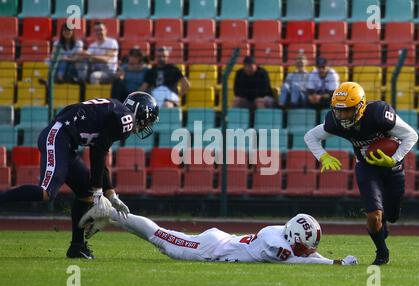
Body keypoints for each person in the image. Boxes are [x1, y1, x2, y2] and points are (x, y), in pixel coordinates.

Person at [0, 92, 160, 259]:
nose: (146, 125)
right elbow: (98, 151)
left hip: (65, 141)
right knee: (47, 192)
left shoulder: (120, 113)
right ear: (140, 110)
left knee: (86, 193)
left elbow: (100, 155)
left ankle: (77, 247)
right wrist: (99, 191)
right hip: (58, 137)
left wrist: (110, 194)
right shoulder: (125, 119)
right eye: (148, 119)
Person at [304, 82, 418, 265]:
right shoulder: (335, 121)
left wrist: (394, 159)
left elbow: (411, 135)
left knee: (392, 215)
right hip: (366, 166)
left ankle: (385, 221)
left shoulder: (379, 115)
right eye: (338, 110)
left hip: (392, 167)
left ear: (361, 107)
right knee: (373, 215)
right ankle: (382, 252)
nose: (342, 115)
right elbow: (310, 136)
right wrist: (323, 156)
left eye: (347, 110)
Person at [79, 209, 358, 265]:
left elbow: (306, 255)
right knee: (162, 239)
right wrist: (333, 264)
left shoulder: (280, 233)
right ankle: (112, 214)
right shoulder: (275, 245)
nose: (306, 251)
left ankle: (112, 218)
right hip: (208, 248)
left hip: (220, 241)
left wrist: (331, 260)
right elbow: (299, 262)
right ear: (292, 236)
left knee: (161, 238)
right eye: (303, 246)